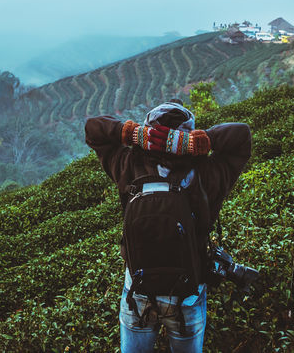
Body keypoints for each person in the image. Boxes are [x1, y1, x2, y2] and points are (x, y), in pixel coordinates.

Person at [85, 101, 253, 353]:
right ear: (190, 135)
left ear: (148, 134)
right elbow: (242, 136)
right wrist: (196, 142)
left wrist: (134, 134)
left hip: (138, 293)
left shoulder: (128, 166)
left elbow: (93, 129)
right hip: (187, 295)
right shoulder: (207, 173)